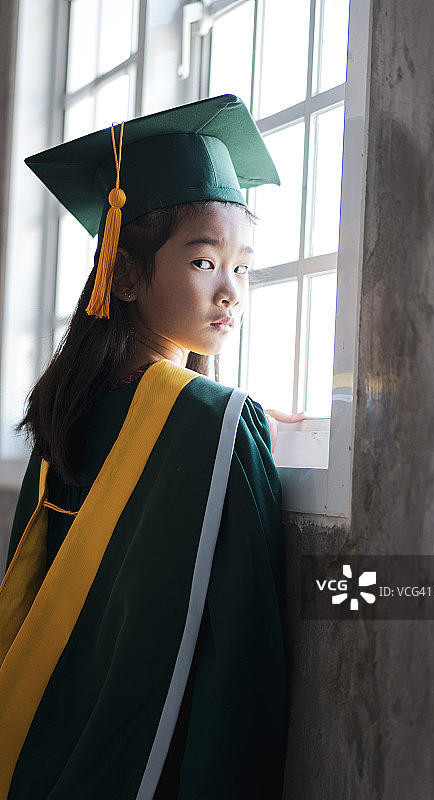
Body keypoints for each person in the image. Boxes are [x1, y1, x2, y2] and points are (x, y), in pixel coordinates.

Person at [0, 95, 290, 800]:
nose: (231, 292)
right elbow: (242, 672)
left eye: (243, 267)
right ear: (123, 277)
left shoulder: (67, 409)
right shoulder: (214, 424)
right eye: (202, 261)